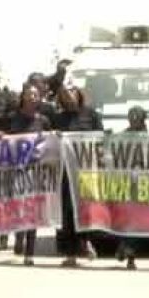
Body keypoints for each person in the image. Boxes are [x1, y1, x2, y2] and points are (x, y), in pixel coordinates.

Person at [52, 84, 103, 267]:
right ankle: (70, 253)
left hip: (86, 170)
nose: (69, 95)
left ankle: (86, 241)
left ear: (78, 94)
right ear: (61, 98)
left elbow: (100, 139)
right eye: (64, 93)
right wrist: (54, 136)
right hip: (65, 171)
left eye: (72, 91)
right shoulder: (57, 118)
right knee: (66, 211)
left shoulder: (91, 115)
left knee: (86, 207)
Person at [8, 84, 52, 266]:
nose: (33, 97)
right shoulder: (13, 119)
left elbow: (50, 140)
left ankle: (30, 252)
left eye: (36, 95)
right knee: (19, 207)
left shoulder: (44, 120)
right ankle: (19, 236)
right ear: (23, 97)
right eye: (29, 94)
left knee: (33, 210)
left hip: (36, 170)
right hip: (16, 169)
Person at [116, 105, 149, 270]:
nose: (134, 118)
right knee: (126, 219)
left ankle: (129, 251)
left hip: (144, 184)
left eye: (138, 115)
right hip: (126, 183)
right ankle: (126, 248)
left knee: (138, 221)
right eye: (131, 115)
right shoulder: (123, 135)